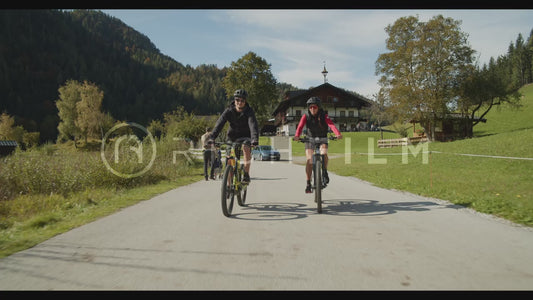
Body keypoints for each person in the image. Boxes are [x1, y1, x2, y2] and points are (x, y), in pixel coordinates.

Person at [208, 89, 259, 183]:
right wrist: (212, 137)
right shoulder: (229, 110)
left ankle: (246, 175)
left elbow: (253, 125)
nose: (240, 102)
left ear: (245, 101)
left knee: (246, 148)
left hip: (245, 136)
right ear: (234, 100)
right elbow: (219, 124)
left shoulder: (249, 111)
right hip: (232, 137)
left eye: (242, 101)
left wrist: (254, 139)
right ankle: (228, 186)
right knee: (229, 160)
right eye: (237, 100)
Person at [293, 96, 342, 193]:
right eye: (310, 107)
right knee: (309, 160)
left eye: (314, 107)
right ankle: (308, 182)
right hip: (309, 139)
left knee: (323, 154)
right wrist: (297, 135)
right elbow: (300, 126)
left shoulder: (324, 115)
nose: (312, 109)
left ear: (318, 107)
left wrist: (337, 134)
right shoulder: (305, 116)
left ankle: (324, 171)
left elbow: (331, 125)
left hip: (322, 138)